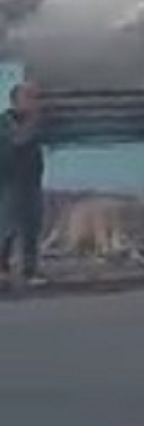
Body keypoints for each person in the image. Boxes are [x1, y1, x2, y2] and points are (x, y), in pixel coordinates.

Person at [0, 81, 48, 288]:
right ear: (16, 101)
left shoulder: (35, 122)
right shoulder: (5, 121)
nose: (35, 102)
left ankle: (30, 271)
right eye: (29, 97)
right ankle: (2, 269)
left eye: (36, 97)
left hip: (31, 181)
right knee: (6, 228)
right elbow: (19, 140)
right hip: (10, 181)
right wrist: (34, 122)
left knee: (32, 227)